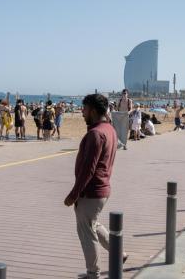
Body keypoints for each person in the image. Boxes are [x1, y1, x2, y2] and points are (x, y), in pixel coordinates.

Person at [64, 94, 127, 278]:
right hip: (103, 188)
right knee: (93, 224)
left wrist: (74, 195)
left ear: (92, 110)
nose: (82, 112)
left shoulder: (96, 134)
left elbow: (88, 170)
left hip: (91, 192)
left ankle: (93, 273)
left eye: (84, 109)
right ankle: (119, 254)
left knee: (87, 233)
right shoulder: (110, 129)